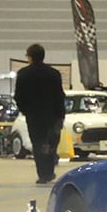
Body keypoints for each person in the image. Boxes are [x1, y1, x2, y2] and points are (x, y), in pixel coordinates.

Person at [13, 43, 66, 184]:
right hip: (53, 115)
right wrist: (61, 115)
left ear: (30, 57)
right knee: (51, 144)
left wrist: (25, 110)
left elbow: (18, 96)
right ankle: (50, 171)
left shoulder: (23, 74)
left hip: (34, 116)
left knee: (38, 144)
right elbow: (60, 96)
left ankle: (43, 174)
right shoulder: (54, 73)